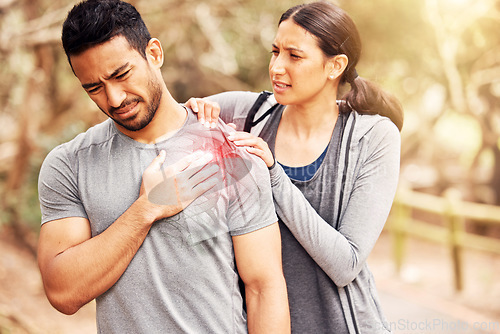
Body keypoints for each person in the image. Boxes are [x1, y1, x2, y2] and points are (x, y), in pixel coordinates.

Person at [37, 0, 290, 333]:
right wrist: (146, 210)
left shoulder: (231, 152)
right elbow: (63, 291)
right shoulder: (69, 164)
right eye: (94, 88)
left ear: (154, 53)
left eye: (121, 75)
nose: (113, 99)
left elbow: (263, 288)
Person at [187, 2, 403, 333]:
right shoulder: (252, 115)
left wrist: (274, 176)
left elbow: (346, 263)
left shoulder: (372, 137)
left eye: (294, 56)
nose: (276, 66)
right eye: (275, 52)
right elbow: (173, 124)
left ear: (335, 66)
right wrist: (194, 111)